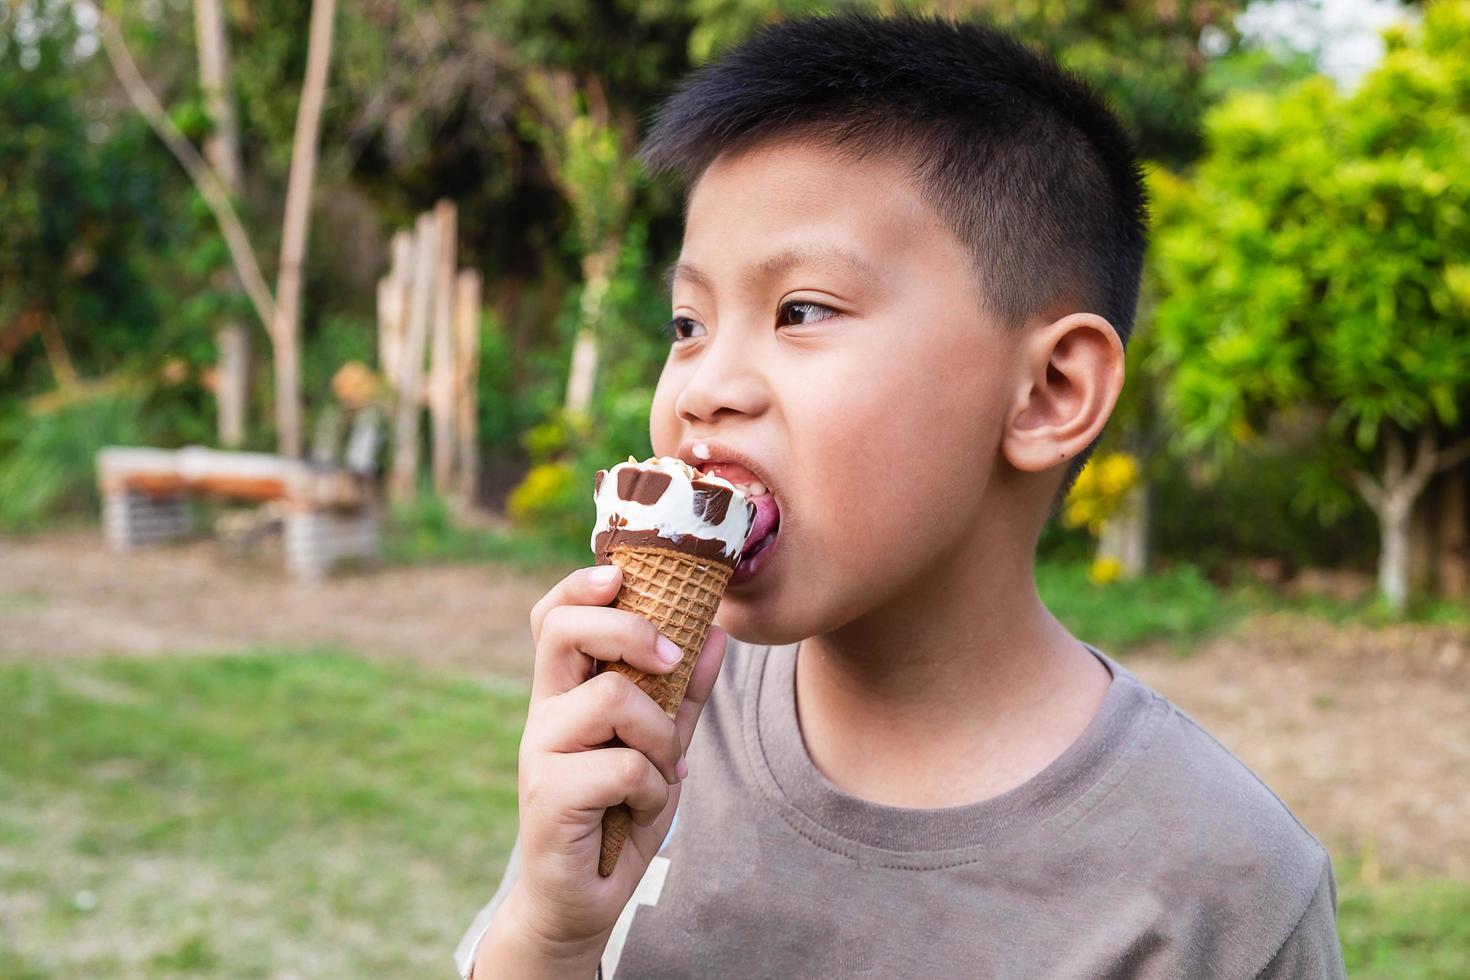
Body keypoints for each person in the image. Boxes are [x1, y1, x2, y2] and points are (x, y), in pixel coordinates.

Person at [456, 12, 1346, 978]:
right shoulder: (646, 728)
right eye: (687, 321)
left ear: (1050, 392)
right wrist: (550, 933)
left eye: (802, 310)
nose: (703, 385)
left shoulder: (1223, 888)